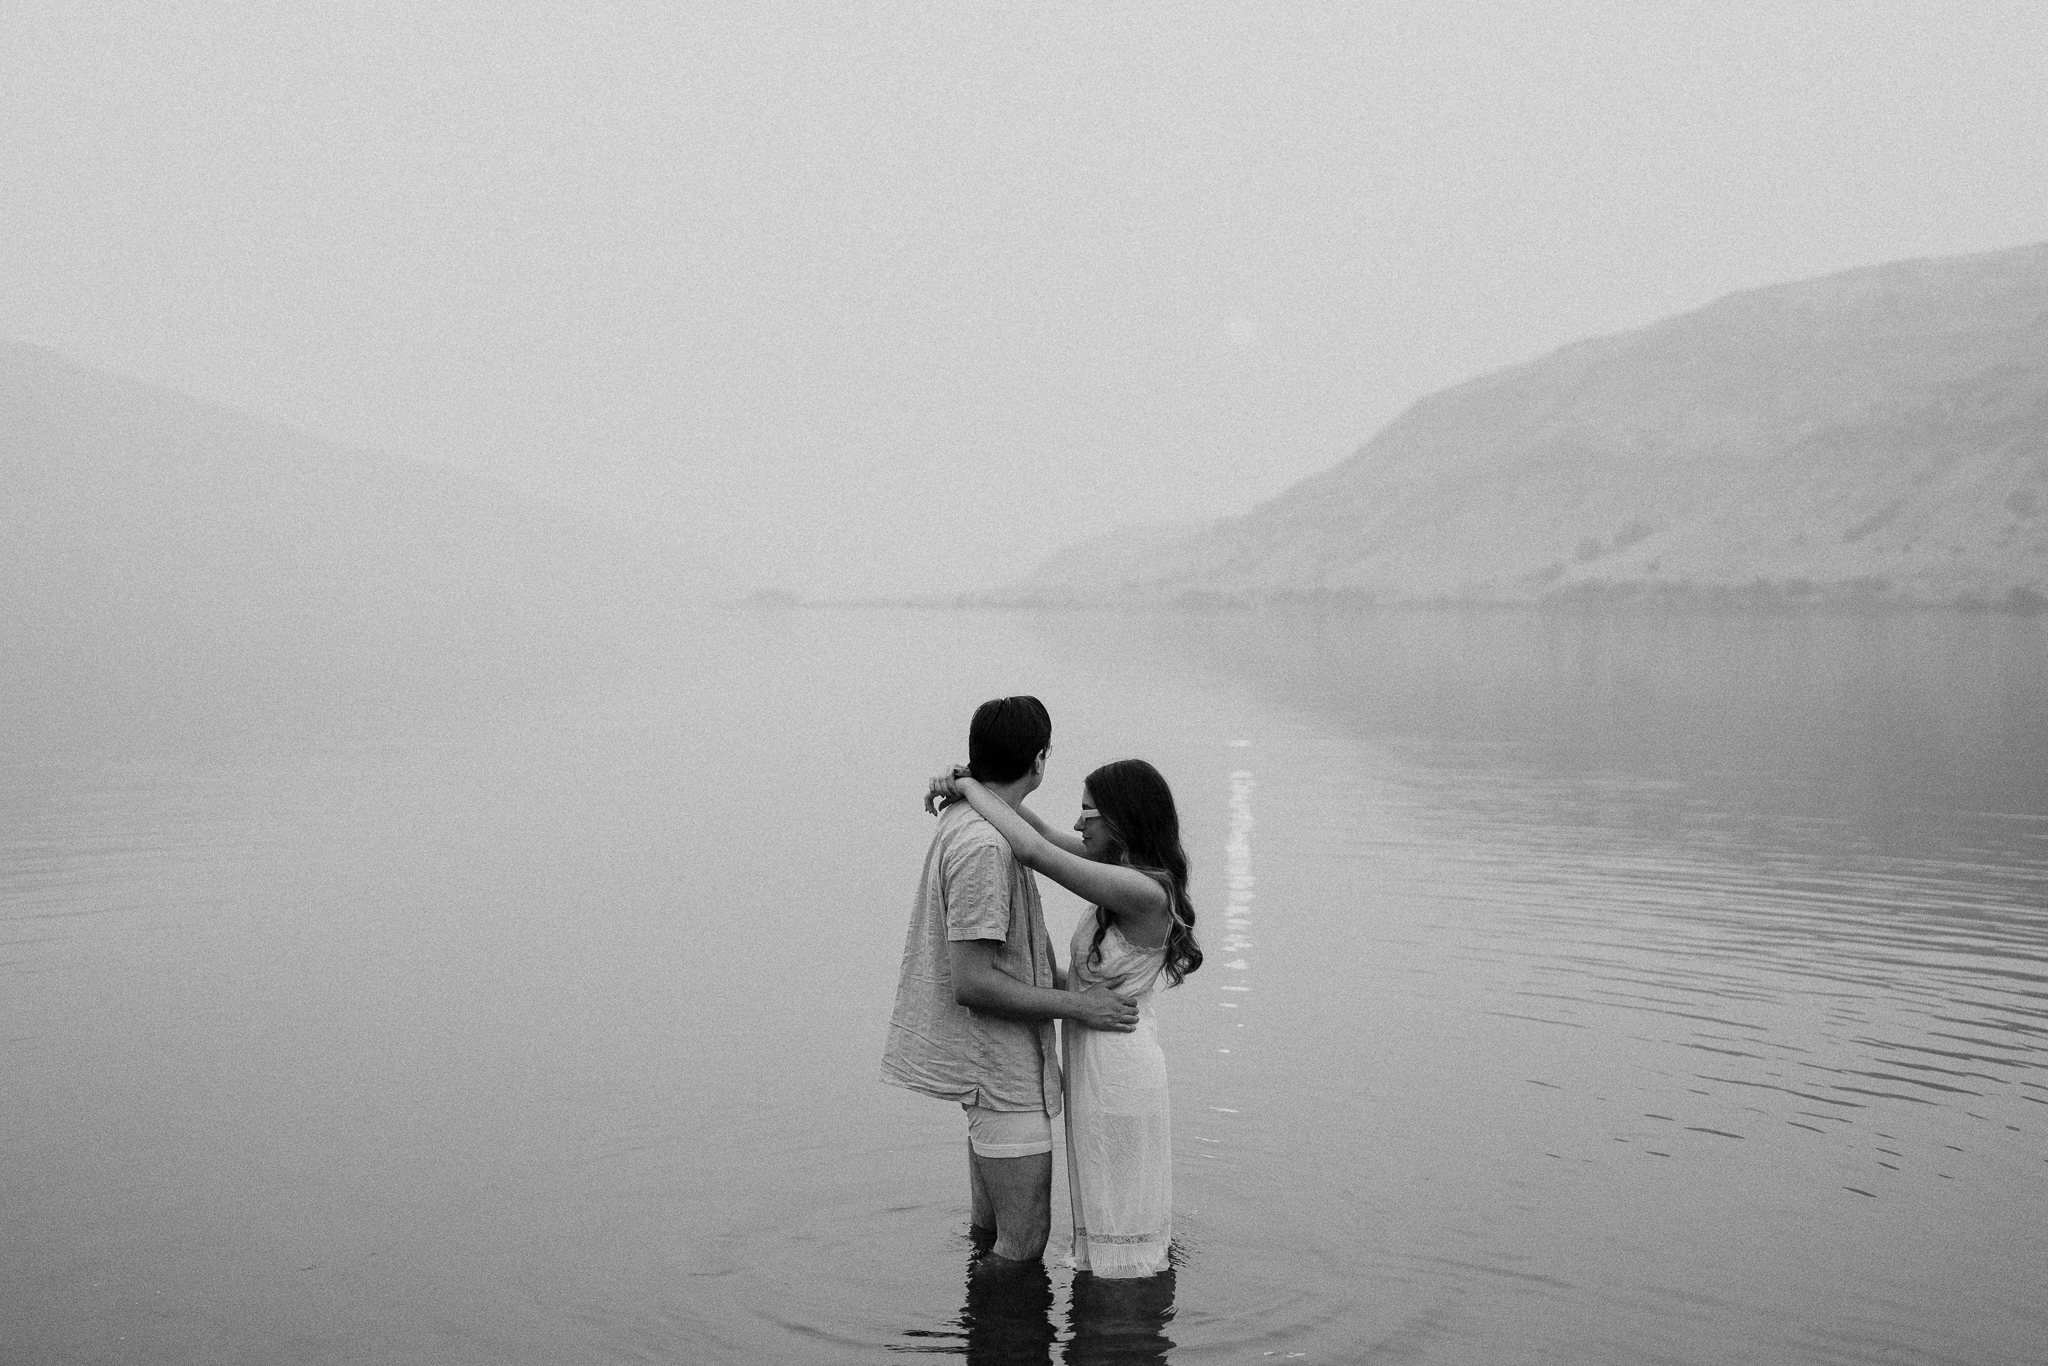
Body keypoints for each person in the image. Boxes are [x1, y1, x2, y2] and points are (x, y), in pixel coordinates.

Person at [881, 696, 1141, 1273]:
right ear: (1040, 761)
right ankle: (997, 1339)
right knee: (1023, 1243)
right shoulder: (985, 845)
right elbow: (972, 982)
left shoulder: (982, 824)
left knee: (992, 1232)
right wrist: (1080, 1007)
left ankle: (979, 1337)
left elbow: (1013, 947)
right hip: (996, 1070)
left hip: (997, 1066)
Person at [935, 757, 1201, 1279]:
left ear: (1121, 821)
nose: (1078, 825)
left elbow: (1031, 850)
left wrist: (967, 786)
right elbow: (1036, 829)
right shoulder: (1120, 874)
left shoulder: (1144, 891)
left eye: (1088, 813)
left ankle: (1124, 1319)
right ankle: (1109, 1320)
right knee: (1099, 1216)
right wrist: (978, 782)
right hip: (1093, 1053)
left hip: (1119, 1064)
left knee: (1121, 1229)